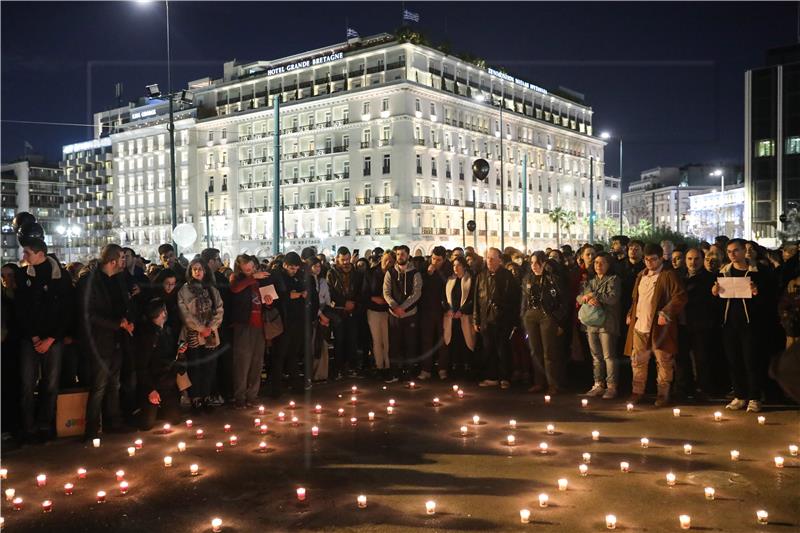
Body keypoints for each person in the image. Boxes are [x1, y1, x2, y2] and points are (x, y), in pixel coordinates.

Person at [14, 238, 74, 443]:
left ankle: (45, 424)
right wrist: (34, 336)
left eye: (27, 253)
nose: (24, 257)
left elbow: (66, 310)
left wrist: (51, 338)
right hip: (30, 338)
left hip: (52, 339)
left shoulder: (60, 276)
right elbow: (21, 309)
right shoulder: (22, 275)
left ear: (40, 254)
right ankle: (28, 427)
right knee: (27, 385)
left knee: (51, 384)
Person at [623, 243, 687, 406]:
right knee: (638, 361)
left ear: (661, 259)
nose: (649, 263)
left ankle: (663, 394)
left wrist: (666, 312)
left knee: (663, 361)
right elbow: (636, 298)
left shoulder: (668, 275)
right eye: (646, 259)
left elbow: (679, 296)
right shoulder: (641, 275)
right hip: (640, 326)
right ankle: (637, 392)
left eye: (653, 259)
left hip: (660, 327)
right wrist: (631, 312)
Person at [82, 244, 135, 441]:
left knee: (114, 382)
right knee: (99, 385)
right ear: (113, 261)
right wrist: (116, 324)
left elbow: (124, 304)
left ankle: (115, 421)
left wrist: (128, 320)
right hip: (100, 340)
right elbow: (89, 314)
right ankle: (92, 428)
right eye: (122, 258)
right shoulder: (92, 281)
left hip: (118, 339)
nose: (125, 261)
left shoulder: (119, 279)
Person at [713, 239, 763, 412]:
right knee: (734, 361)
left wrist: (757, 292)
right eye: (729, 252)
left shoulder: (756, 271)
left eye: (736, 251)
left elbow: (768, 298)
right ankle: (740, 395)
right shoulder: (724, 272)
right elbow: (718, 302)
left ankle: (755, 398)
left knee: (751, 361)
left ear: (744, 251)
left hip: (750, 324)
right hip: (729, 324)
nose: (732, 255)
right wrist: (715, 293)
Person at [177, 258, 224, 412]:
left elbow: (219, 309)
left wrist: (210, 327)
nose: (197, 271)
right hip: (193, 335)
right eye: (194, 269)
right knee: (195, 367)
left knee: (209, 367)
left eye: (200, 269)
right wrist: (200, 328)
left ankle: (207, 396)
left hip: (210, 335)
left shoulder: (211, 289)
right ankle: (196, 397)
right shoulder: (184, 290)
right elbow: (185, 314)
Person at [135, 298, 187, 430]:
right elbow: (141, 366)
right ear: (161, 313)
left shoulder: (168, 331)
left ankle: (162, 409)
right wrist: (150, 390)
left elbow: (173, 359)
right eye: (164, 310)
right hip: (153, 385)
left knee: (175, 419)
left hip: (167, 384)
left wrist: (180, 353)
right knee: (146, 425)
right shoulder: (148, 336)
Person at [228, 255, 271, 408]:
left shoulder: (259, 279)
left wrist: (268, 301)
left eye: (252, 267)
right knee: (242, 362)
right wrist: (253, 277)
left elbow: (265, 299)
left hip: (259, 325)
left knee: (257, 362)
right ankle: (239, 397)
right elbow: (235, 289)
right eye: (247, 268)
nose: (251, 270)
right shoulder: (236, 278)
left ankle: (253, 395)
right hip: (243, 325)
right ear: (240, 267)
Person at [675, 248, 717, 402]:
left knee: (702, 359)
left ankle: (703, 389)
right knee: (681, 359)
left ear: (702, 259)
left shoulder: (710, 278)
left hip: (701, 324)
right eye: (690, 259)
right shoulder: (678, 277)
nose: (693, 262)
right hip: (681, 323)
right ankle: (683, 389)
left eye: (697, 259)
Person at [523, 251, 567, 394]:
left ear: (544, 263)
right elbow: (524, 299)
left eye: (537, 262)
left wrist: (559, 321)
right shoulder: (528, 278)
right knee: (535, 350)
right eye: (532, 263)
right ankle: (539, 382)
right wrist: (523, 316)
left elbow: (562, 300)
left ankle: (553, 384)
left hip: (547, 315)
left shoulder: (552, 278)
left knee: (549, 351)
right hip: (531, 315)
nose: (534, 266)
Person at [578, 252, 622, 399]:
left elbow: (613, 298)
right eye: (596, 262)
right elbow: (579, 296)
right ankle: (598, 384)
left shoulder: (614, 279)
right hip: (591, 323)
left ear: (609, 265)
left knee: (609, 356)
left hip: (607, 322)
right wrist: (586, 298)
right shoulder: (591, 281)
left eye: (602, 263)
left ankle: (612, 386)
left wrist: (594, 296)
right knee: (596, 356)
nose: (598, 265)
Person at [474, 247, 516, 389]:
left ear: (499, 260)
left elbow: (512, 298)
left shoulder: (507, 276)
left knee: (502, 349)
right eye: (488, 258)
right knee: (488, 349)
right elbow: (477, 300)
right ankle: (491, 376)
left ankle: (505, 377)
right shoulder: (481, 276)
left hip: (502, 319)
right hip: (486, 318)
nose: (489, 261)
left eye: (492, 258)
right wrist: (476, 319)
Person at [270, 252, 307, 396]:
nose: (294, 271)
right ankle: (276, 388)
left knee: (293, 353)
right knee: (279, 355)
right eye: (292, 268)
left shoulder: (298, 276)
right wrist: (292, 295)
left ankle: (296, 384)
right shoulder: (277, 276)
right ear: (285, 265)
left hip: (296, 321)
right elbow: (275, 297)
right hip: (282, 321)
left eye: (296, 268)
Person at [383, 245, 422, 383]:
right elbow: (386, 292)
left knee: (410, 344)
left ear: (408, 255)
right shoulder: (390, 273)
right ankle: (394, 373)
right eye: (398, 254)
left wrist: (403, 308)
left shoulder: (415, 273)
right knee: (394, 346)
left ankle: (410, 373)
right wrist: (395, 307)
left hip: (410, 314)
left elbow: (416, 293)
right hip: (394, 315)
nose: (400, 257)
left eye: (403, 254)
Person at [327, 247, 363, 379]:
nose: (346, 262)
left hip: (353, 311)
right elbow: (330, 292)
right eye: (343, 260)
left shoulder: (357, 273)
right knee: (339, 341)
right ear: (338, 259)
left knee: (352, 340)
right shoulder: (331, 273)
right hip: (339, 313)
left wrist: (353, 304)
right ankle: (339, 368)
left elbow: (360, 291)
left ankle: (352, 367)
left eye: (348, 259)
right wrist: (344, 303)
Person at [418, 246, 450, 380]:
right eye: (433, 259)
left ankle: (442, 368)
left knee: (443, 341)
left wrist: (437, 272)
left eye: (438, 260)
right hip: (427, 310)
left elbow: (447, 285)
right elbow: (420, 286)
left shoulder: (448, 268)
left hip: (443, 310)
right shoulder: (425, 268)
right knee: (427, 340)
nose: (435, 262)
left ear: (444, 259)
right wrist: (428, 274)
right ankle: (426, 369)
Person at [443, 256, 476, 379]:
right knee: (454, 341)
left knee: (466, 341)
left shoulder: (470, 280)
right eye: (454, 266)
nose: (455, 268)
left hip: (465, 317)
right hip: (451, 317)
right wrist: (448, 309)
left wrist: (462, 311)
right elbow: (444, 298)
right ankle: (455, 366)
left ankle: (467, 367)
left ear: (464, 266)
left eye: (458, 265)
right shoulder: (450, 280)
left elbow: (472, 298)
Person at [364, 250, 394, 378]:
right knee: (376, 339)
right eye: (386, 259)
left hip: (387, 310)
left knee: (387, 340)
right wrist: (373, 298)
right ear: (382, 258)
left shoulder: (393, 273)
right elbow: (364, 293)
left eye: (391, 261)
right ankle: (379, 365)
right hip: (374, 310)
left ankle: (388, 366)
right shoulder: (370, 272)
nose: (387, 263)